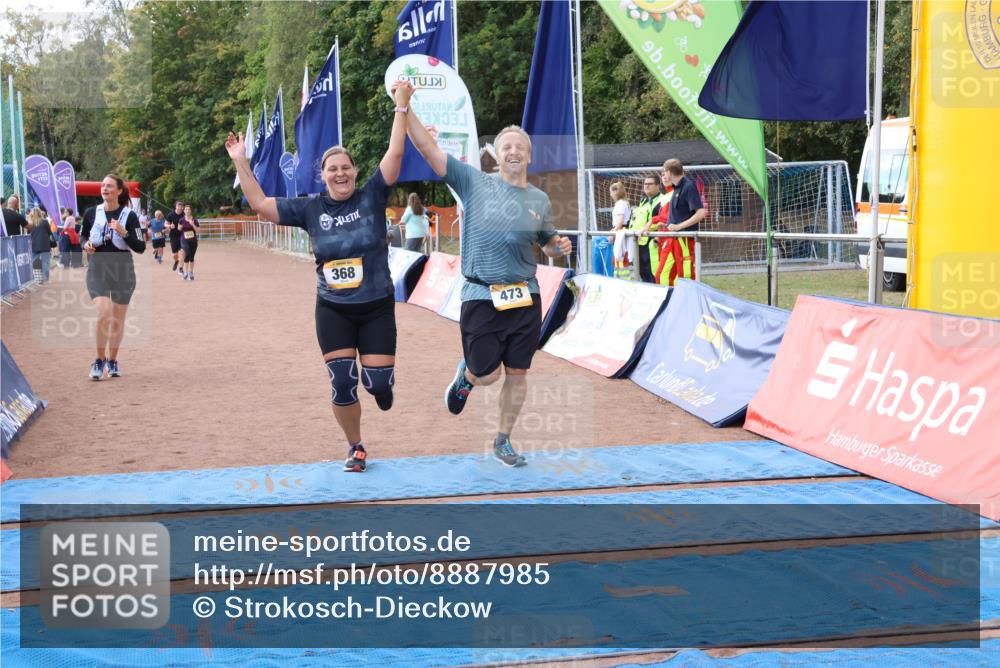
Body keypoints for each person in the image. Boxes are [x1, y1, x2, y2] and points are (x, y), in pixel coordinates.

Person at [224, 80, 413, 473]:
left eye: (346, 167)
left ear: (354, 172)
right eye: (332, 169)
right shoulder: (310, 209)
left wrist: (402, 105)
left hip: (376, 307)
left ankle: (382, 386)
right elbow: (260, 203)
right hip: (333, 309)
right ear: (322, 175)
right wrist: (241, 160)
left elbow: (395, 153)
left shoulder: (372, 195)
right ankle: (356, 447)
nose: (340, 173)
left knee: (377, 384)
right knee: (342, 381)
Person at [403, 116, 573, 468]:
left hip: (525, 296)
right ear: (497, 155)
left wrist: (558, 247)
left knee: (518, 373)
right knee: (487, 373)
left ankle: (503, 440)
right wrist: (404, 109)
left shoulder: (539, 199)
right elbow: (428, 149)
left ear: (529, 156)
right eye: (506, 146)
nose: (514, 151)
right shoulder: (473, 181)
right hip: (481, 295)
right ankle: (467, 376)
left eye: (520, 147)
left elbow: (547, 244)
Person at [80, 173, 146, 380]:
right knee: (103, 312)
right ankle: (99, 360)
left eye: (109, 186)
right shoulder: (91, 213)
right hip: (98, 267)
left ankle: (113, 360)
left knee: (117, 319)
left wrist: (123, 232)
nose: (105, 189)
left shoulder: (130, 216)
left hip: (122, 269)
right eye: (103, 186)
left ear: (119, 190)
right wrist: (85, 245)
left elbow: (141, 247)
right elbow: (83, 235)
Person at [659, 158, 705, 286]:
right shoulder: (677, 187)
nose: (664, 175)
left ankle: (689, 298)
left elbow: (701, 213)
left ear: (669, 172)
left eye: (664, 172)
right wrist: (667, 225)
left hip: (684, 239)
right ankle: (670, 298)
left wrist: (679, 226)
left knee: (686, 276)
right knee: (662, 275)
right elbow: (680, 214)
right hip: (672, 238)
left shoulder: (688, 186)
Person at [628, 176, 663, 283]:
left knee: (653, 273)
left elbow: (661, 219)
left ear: (657, 185)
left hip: (653, 242)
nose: (646, 186)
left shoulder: (662, 200)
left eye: (650, 184)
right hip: (639, 241)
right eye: (645, 184)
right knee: (643, 273)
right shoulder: (643, 200)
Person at [609, 182, 632, 280]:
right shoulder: (624, 203)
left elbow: (620, 220)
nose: (610, 194)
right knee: (621, 257)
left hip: (620, 232)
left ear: (615, 192)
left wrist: (613, 232)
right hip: (621, 230)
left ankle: (623, 279)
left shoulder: (620, 203)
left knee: (620, 256)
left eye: (611, 192)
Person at [27, 208, 53, 283]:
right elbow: (49, 232)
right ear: (40, 213)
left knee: (33, 261)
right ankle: (45, 278)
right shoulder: (45, 222)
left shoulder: (30, 223)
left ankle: (35, 278)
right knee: (46, 262)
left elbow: (28, 234)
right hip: (45, 244)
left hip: (34, 244)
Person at [178, 204, 200, 280]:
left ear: (191, 211)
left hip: (193, 241)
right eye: (186, 209)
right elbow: (179, 229)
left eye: (189, 209)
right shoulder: (181, 220)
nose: (187, 211)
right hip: (184, 240)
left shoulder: (195, 220)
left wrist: (192, 224)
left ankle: (191, 272)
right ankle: (186, 272)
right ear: (184, 211)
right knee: (187, 253)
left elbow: (198, 231)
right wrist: (180, 227)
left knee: (191, 257)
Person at [165, 200, 185, 273]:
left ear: (182, 207)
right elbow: (165, 224)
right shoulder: (171, 215)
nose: (180, 207)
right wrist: (170, 225)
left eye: (181, 205)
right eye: (178, 205)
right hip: (173, 236)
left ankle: (181, 268)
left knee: (183, 252)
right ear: (176, 206)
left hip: (183, 235)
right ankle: (176, 261)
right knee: (175, 254)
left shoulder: (184, 214)